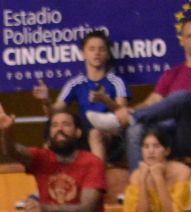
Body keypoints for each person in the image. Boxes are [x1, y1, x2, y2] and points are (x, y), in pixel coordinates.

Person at [87, 16, 191, 169]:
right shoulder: (171, 74)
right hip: (173, 139)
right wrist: (129, 111)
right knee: (135, 129)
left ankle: (127, 119)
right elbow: (149, 103)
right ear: (182, 41)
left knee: (183, 97)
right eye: (189, 36)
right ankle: (136, 184)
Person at [32, 29, 128, 162]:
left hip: (110, 135)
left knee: (95, 134)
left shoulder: (116, 82)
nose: (97, 53)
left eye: (101, 49)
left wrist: (104, 100)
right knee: (52, 140)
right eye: (92, 49)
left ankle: (97, 172)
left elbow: (123, 116)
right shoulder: (75, 83)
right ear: (83, 54)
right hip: (82, 134)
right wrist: (46, 101)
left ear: (107, 54)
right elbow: (53, 113)